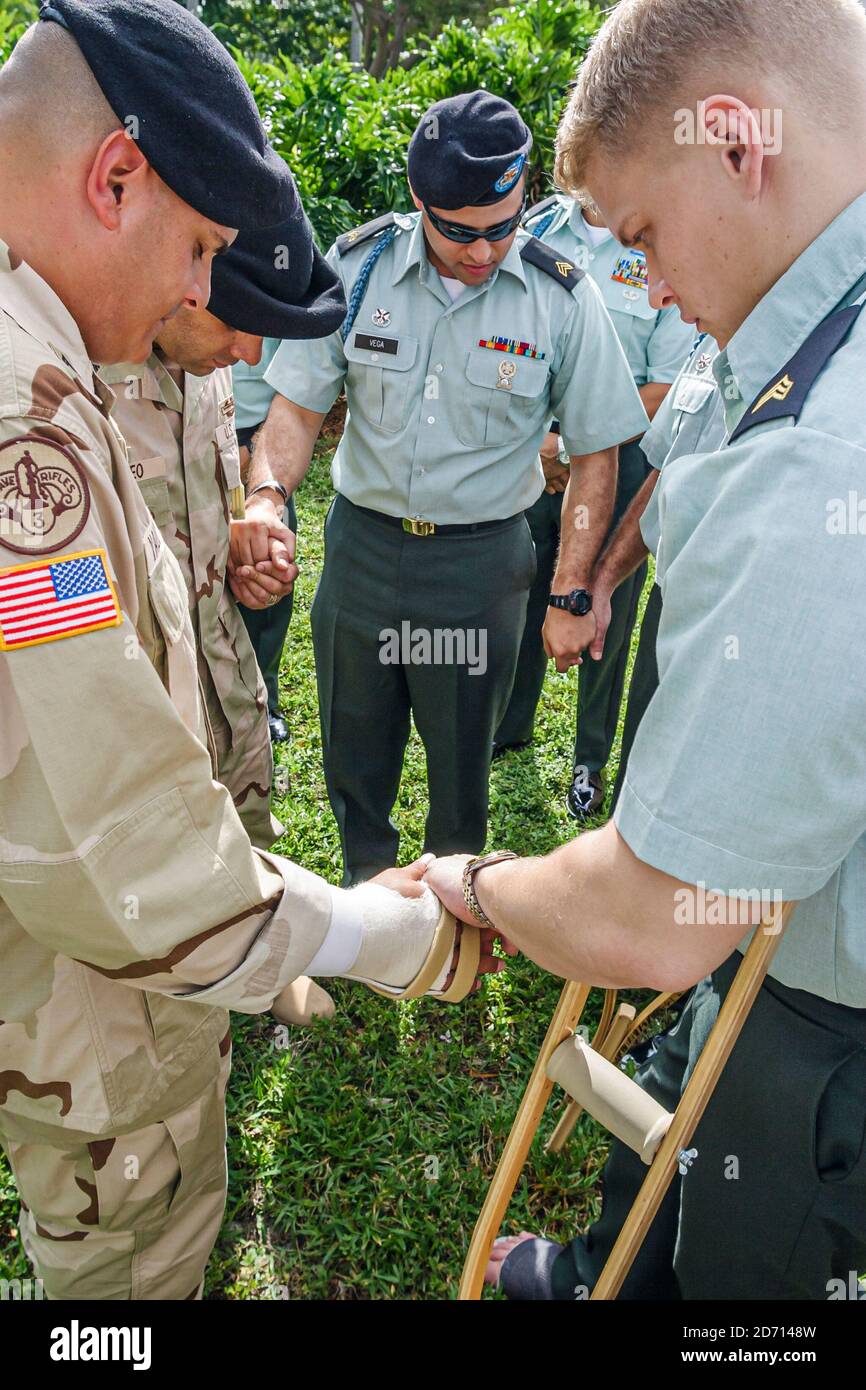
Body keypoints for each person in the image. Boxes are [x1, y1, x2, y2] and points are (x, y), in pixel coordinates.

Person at [0, 0, 490, 1302]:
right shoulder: (24, 411)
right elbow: (114, 839)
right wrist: (371, 939)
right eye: (203, 250)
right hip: (97, 1014)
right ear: (116, 179)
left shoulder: (46, 350)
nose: (197, 295)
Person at [426, 0, 866, 1300]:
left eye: (645, 240)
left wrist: (480, 883)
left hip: (827, 1037)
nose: (652, 289)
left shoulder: (815, 453)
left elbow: (658, 913)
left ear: (733, 144)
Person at [250, 91, 648, 886]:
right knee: (354, 746)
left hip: (478, 569)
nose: (483, 250)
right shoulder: (359, 269)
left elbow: (599, 454)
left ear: (525, 194)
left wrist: (572, 587)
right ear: (418, 201)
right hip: (362, 550)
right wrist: (265, 495)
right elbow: (294, 410)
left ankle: (448, 911)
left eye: (502, 225)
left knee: (462, 762)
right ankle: (370, 889)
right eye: (459, 230)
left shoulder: (560, 297)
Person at [101, 212, 346, 1025]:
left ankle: (261, 966)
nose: (249, 356)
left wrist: (238, 540)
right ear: (185, 278)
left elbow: (202, 493)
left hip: (222, 674)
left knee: (243, 827)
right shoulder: (73, 375)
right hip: (138, 704)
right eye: (241, 327)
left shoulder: (201, 356)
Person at [494, 192, 693, 820]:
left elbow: (665, 389)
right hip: (534, 449)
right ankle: (510, 725)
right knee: (523, 589)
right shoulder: (536, 230)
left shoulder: (655, 243)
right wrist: (543, 445)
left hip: (620, 451)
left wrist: (578, 445)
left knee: (601, 607)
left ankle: (589, 757)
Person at [605, 333, 723, 810]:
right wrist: (604, 580)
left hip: (753, 614)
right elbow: (662, 475)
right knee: (642, 758)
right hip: (672, 592)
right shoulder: (709, 342)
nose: (659, 296)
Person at [232, 340, 296, 744]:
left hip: (262, 429)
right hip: (173, 416)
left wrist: (259, 445)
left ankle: (263, 698)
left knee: (266, 565)